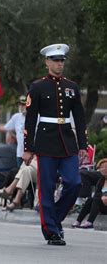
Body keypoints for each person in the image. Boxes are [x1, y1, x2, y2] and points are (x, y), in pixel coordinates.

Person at [23, 43, 87, 246]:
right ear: (47, 62)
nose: (60, 64)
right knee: (47, 188)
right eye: (56, 61)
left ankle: (54, 219)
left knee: (74, 183)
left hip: (67, 141)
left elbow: (80, 117)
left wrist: (83, 145)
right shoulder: (37, 86)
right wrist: (28, 148)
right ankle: (51, 231)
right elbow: (30, 120)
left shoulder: (72, 87)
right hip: (46, 142)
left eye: (62, 61)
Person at [0, 95, 27, 167]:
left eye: (23, 104)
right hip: (20, 154)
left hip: (32, 153)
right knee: (21, 174)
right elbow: (4, 128)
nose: (21, 106)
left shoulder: (36, 117)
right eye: (20, 104)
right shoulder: (16, 117)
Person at [72, 158, 107, 229]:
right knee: (91, 199)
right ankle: (78, 221)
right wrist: (102, 196)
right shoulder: (101, 180)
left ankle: (90, 222)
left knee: (96, 199)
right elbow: (97, 193)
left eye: (106, 167)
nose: (104, 169)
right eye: (102, 167)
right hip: (102, 205)